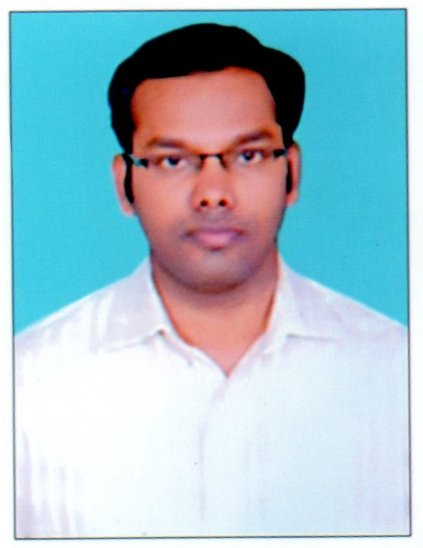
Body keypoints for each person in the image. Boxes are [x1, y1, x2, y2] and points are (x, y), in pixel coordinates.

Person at [15, 23, 409, 538]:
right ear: (125, 184)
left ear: (291, 173)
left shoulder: (399, 372)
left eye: (248, 155)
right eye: (172, 160)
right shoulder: (26, 384)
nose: (213, 193)